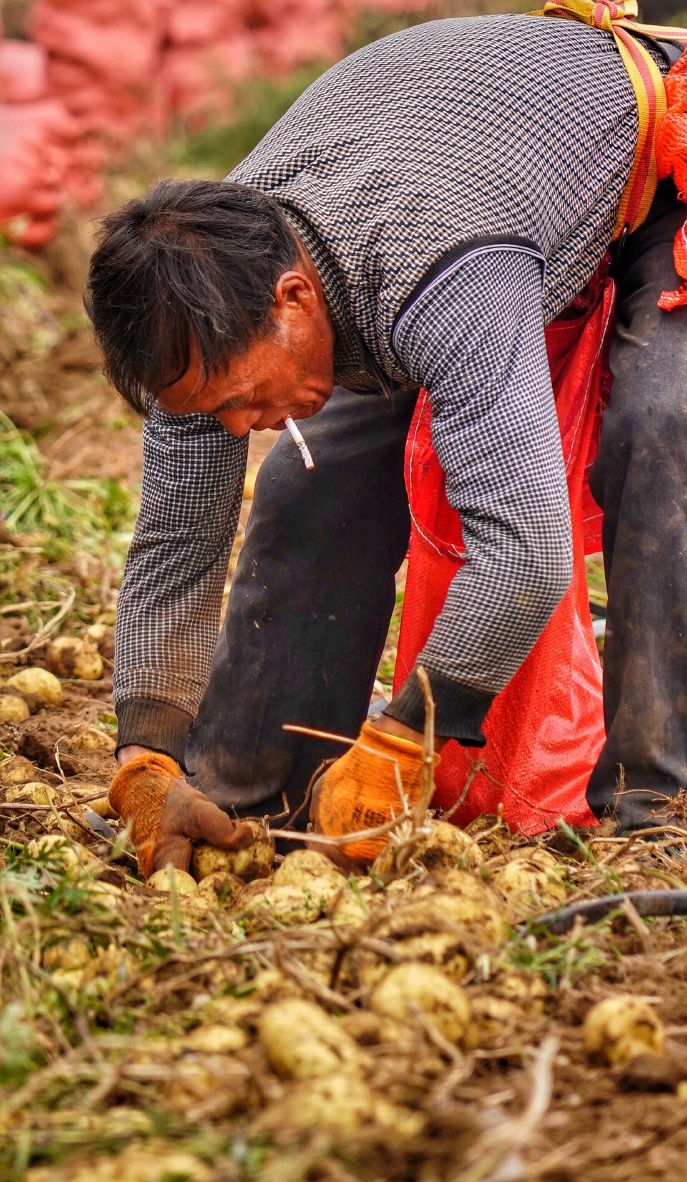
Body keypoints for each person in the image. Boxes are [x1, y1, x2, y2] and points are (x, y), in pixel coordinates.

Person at [87, 5, 687, 876]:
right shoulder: (203, 307)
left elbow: (524, 551)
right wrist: (144, 760)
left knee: (662, 431)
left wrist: (404, 736)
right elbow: (178, 548)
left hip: (655, 159)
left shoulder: (441, 275)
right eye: (206, 411)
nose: (236, 428)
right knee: (308, 486)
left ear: (292, 299)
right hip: (448, 192)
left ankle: (656, 810)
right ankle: (246, 800)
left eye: (243, 397)